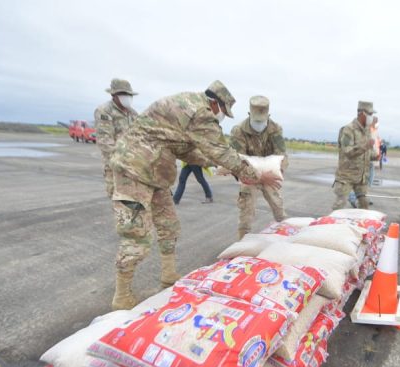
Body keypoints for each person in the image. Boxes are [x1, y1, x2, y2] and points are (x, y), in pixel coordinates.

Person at [109, 81, 281, 310]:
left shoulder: (188, 107)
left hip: (156, 172)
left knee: (169, 226)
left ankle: (169, 276)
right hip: (134, 170)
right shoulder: (200, 111)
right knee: (137, 238)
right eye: (223, 112)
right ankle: (122, 297)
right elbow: (219, 149)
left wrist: (223, 166)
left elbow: (187, 150)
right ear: (215, 103)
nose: (222, 118)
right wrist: (254, 175)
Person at [229, 96, 287, 239]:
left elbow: (282, 156)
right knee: (246, 213)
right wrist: (253, 175)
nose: (259, 124)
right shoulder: (239, 131)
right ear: (249, 115)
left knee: (278, 208)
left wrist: (277, 172)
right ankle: (242, 244)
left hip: (270, 177)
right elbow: (237, 160)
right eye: (256, 121)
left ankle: (287, 236)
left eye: (262, 120)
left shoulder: (275, 129)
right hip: (248, 177)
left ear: (268, 116)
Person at [94, 78, 138, 198]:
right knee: (120, 201)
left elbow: (140, 136)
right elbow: (105, 141)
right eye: (124, 94)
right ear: (114, 95)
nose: (127, 97)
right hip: (115, 165)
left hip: (133, 166)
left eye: (129, 94)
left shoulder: (133, 113)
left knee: (135, 201)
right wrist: (123, 161)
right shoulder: (105, 111)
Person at [333, 101, 376, 210]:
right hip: (346, 177)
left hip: (361, 178)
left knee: (364, 206)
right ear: (362, 113)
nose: (372, 117)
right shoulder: (348, 129)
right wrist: (365, 146)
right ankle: (332, 225)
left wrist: (375, 156)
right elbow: (348, 152)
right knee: (340, 206)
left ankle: (360, 226)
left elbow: (367, 154)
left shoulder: (367, 131)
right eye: (370, 114)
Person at [349, 116, 380, 207]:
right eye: (375, 120)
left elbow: (375, 147)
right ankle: (353, 198)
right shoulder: (366, 130)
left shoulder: (374, 131)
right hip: (365, 160)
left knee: (367, 182)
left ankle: (362, 198)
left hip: (371, 160)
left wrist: (377, 162)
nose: (376, 122)